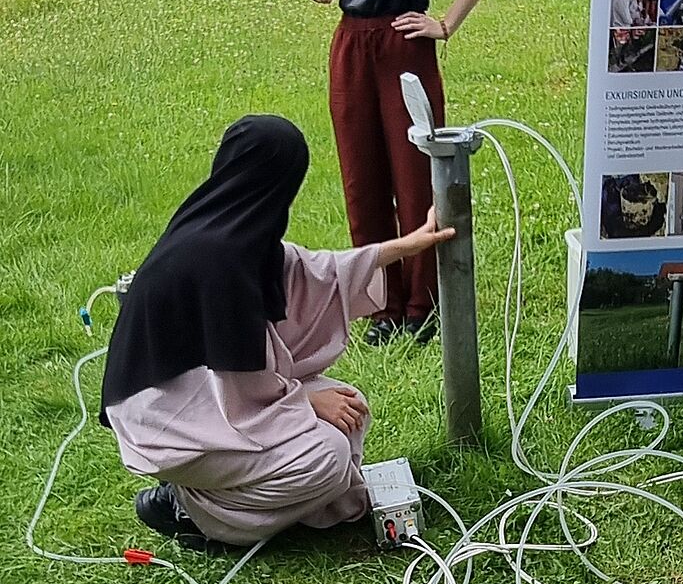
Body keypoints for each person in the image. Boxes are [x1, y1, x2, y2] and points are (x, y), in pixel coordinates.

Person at [101, 116, 453, 550]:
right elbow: (241, 384)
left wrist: (408, 245)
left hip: (210, 396)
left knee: (348, 409)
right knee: (326, 458)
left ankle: (283, 498)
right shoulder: (221, 260)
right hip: (172, 421)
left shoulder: (234, 225)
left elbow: (315, 271)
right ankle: (193, 509)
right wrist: (304, 399)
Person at [300, 0, 499, 345]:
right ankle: (378, 306)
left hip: (403, 45)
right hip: (351, 48)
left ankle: (421, 305)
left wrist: (446, 23)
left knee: (415, 178)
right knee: (361, 179)